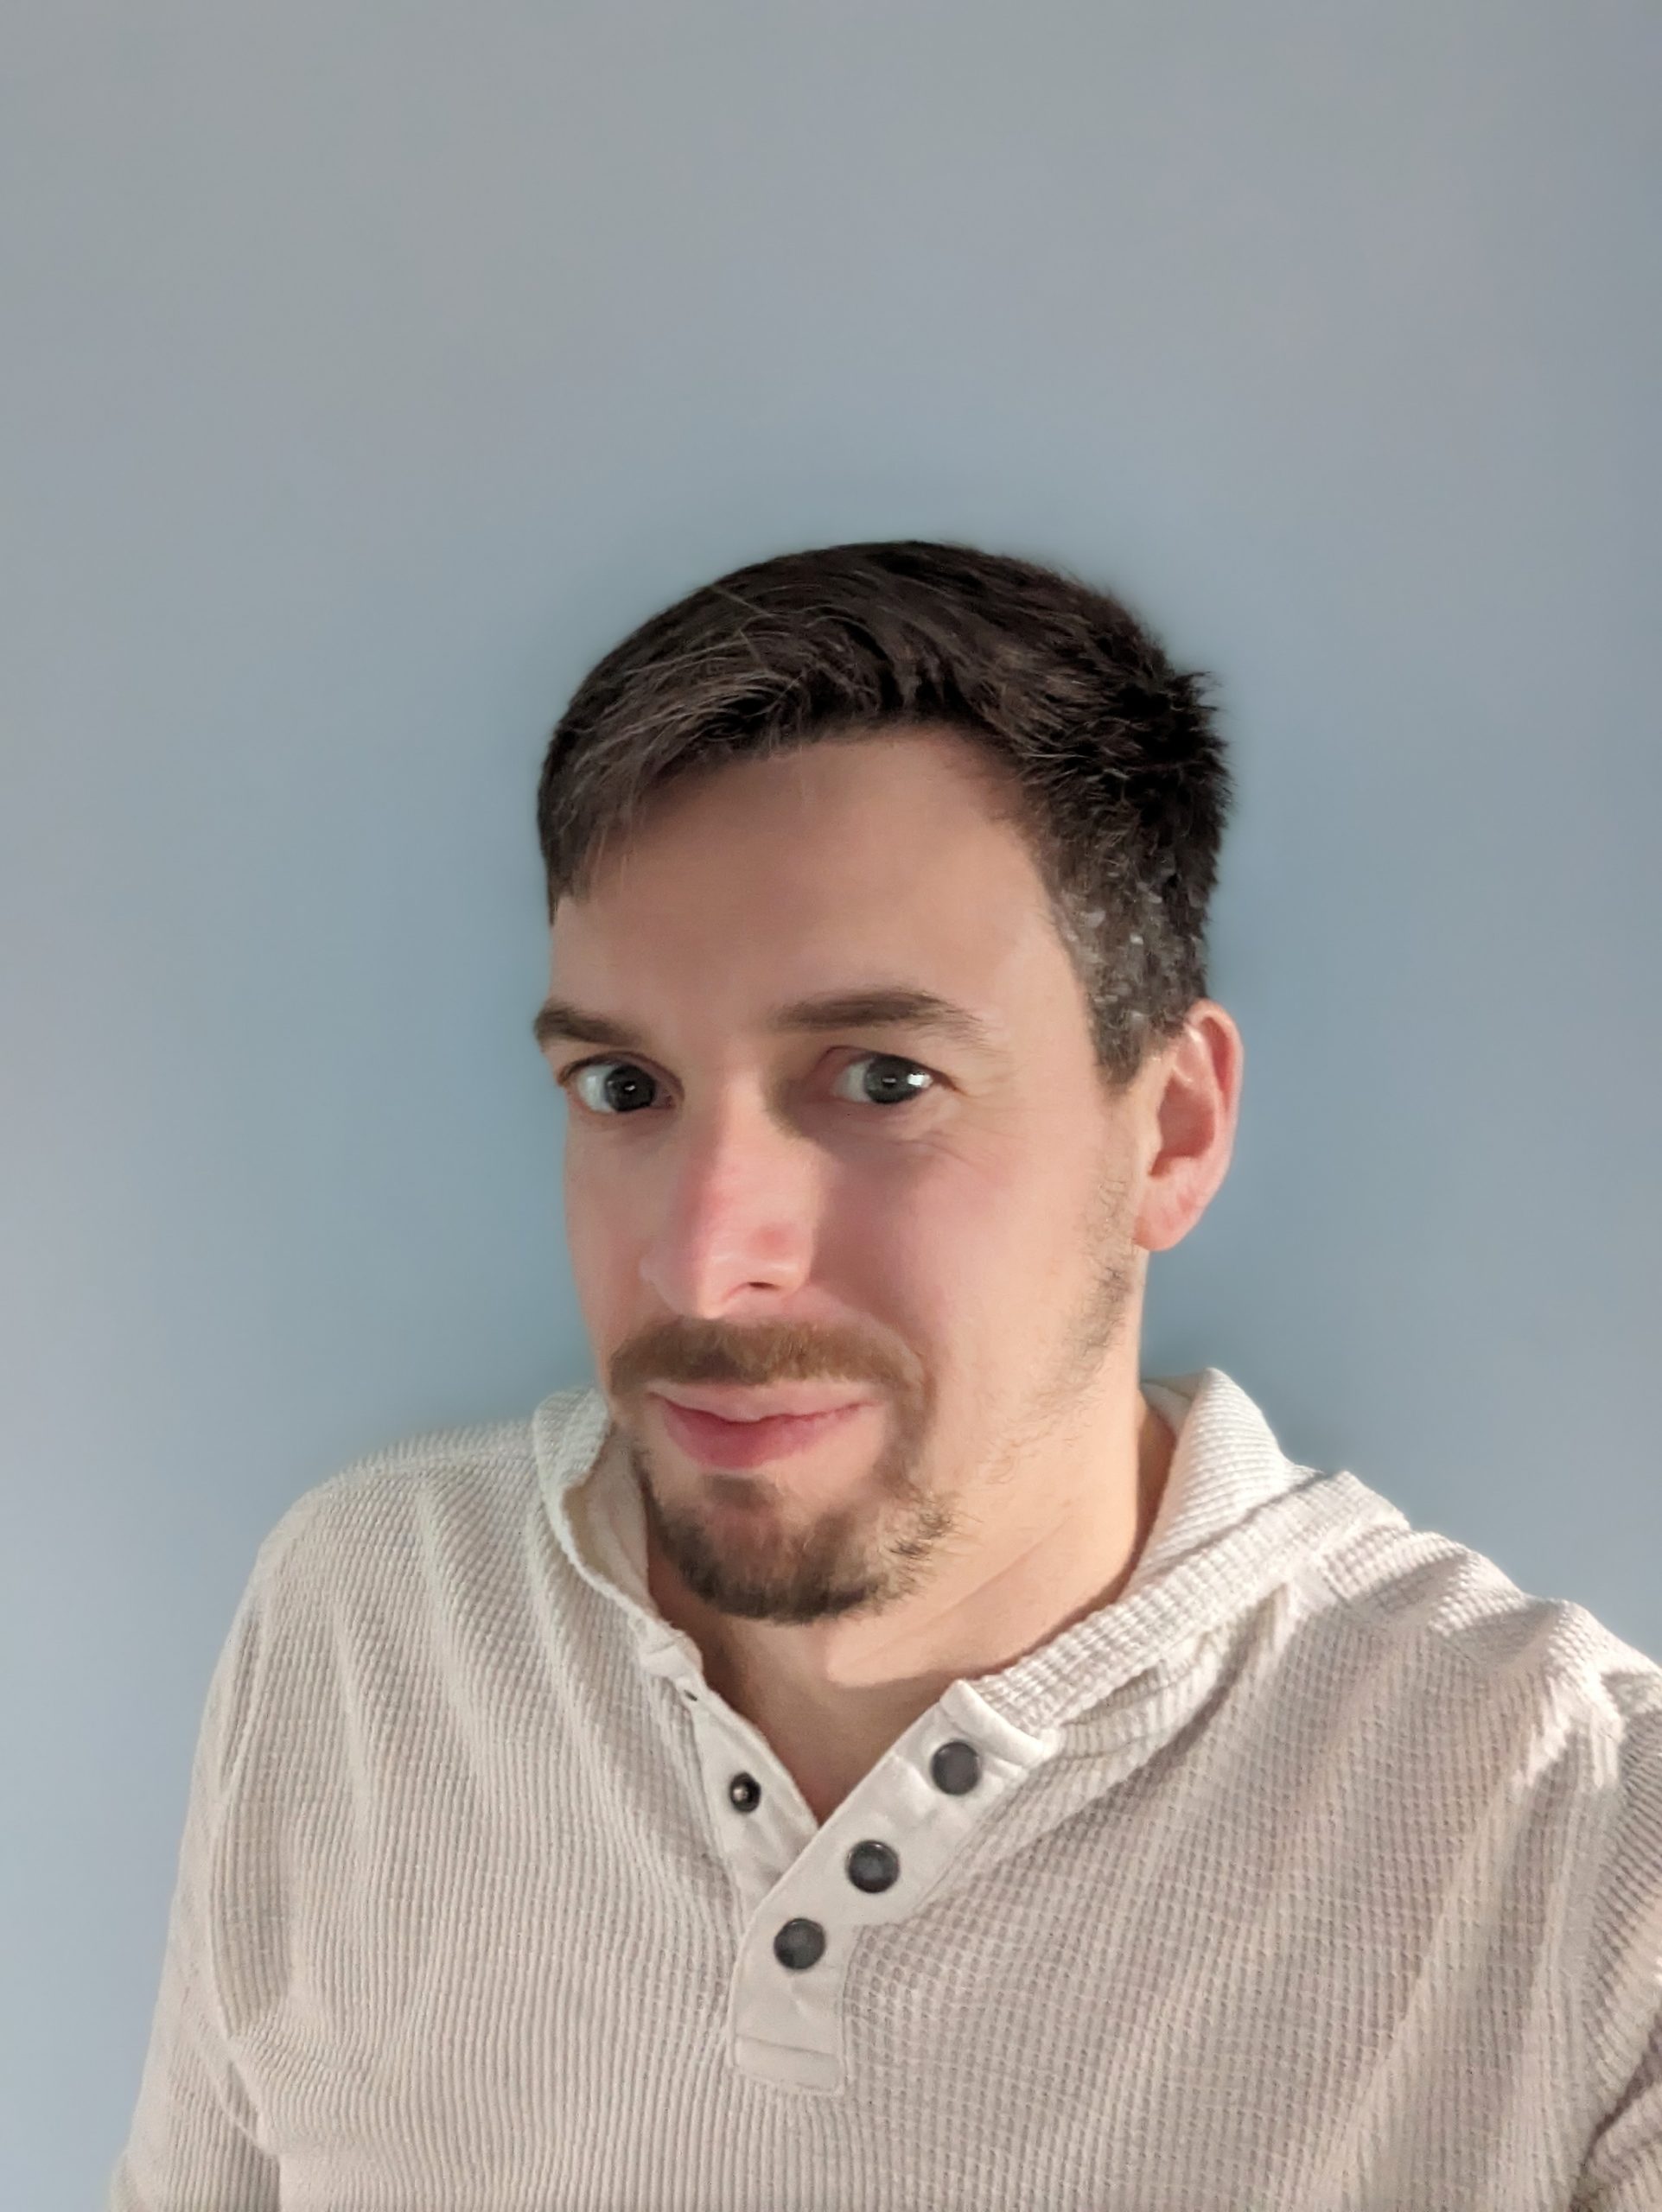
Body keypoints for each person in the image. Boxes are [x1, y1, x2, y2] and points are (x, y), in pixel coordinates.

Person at [109, 541, 1660, 2209]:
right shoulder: (367, 1621)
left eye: (882, 1079)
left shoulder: (1582, 1858)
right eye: (625, 1087)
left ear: (1171, 1129)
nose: (704, 1262)